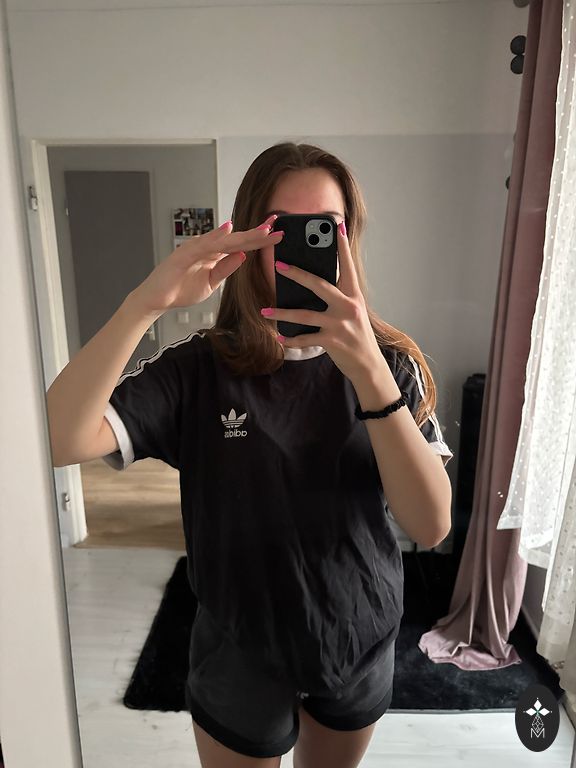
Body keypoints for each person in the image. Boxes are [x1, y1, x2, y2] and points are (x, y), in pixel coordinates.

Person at [47, 142, 454, 768]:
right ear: (249, 238)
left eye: (326, 228)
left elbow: (430, 525)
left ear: (349, 239)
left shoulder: (392, 365)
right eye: (281, 230)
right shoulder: (197, 370)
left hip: (358, 632)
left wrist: (371, 375)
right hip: (238, 648)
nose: (302, 249)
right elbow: (58, 438)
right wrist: (145, 303)